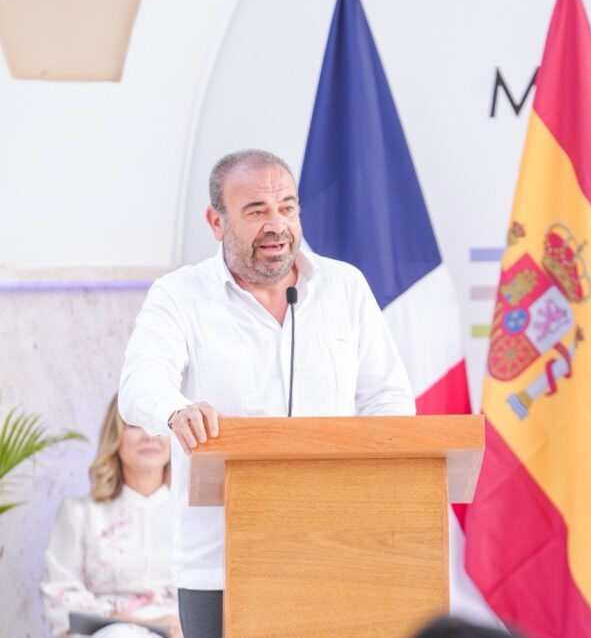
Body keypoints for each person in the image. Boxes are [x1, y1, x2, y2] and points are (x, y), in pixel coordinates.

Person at [119, 149, 415, 637]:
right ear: (217, 222)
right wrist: (177, 411)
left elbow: (389, 400)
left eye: (287, 207)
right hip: (222, 564)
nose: (277, 224)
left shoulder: (345, 287)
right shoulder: (179, 295)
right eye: (256, 210)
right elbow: (139, 383)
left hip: (339, 551)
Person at [41, 396, 180, 638]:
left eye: (159, 425)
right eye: (135, 424)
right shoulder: (80, 513)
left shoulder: (192, 519)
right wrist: (139, 623)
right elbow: (60, 596)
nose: (150, 436)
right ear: (115, 435)